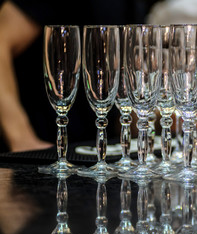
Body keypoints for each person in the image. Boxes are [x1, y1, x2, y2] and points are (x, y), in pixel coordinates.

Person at [0, 0, 156, 152]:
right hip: (47, 151)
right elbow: (2, 39)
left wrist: (154, 116)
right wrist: (21, 139)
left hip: (96, 153)